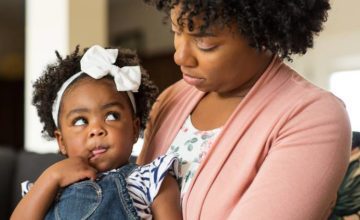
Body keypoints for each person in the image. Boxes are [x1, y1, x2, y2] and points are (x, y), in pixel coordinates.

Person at [137, 1, 352, 219]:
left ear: (263, 34)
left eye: (205, 43)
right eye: (176, 30)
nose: (180, 57)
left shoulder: (314, 118)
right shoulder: (171, 98)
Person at [11, 45, 182, 220]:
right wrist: (51, 178)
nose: (96, 130)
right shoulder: (49, 186)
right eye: (80, 121)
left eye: (111, 116)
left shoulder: (152, 179)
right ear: (61, 141)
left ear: (134, 128)